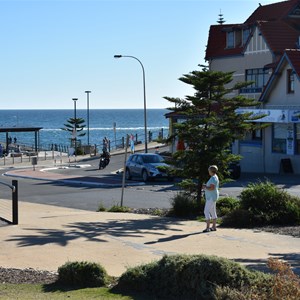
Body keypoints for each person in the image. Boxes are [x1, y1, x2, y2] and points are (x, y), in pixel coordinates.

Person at [202, 165, 219, 232]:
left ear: (211, 171)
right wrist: (206, 187)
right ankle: (214, 226)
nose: (208, 172)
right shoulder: (215, 177)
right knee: (212, 211)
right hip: (213, 196)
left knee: (206, 211)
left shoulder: (213, 178)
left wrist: (205, 187)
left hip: (211, 197)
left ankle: (207, 228)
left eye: (209, 170)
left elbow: (212, 188)